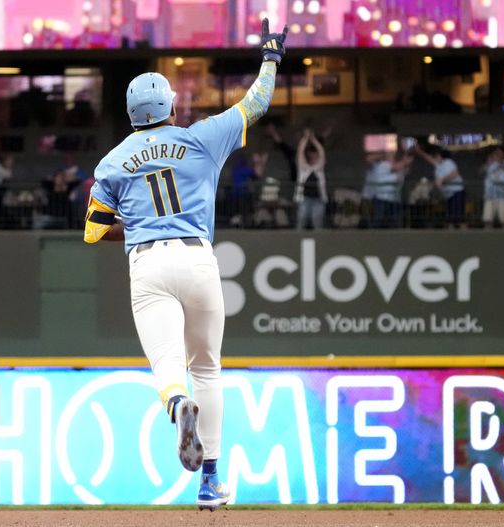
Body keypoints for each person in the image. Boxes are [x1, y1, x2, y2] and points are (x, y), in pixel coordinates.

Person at [82, 18, 288, 510]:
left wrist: (136, 228)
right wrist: (271, 56)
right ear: (171, 104)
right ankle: (210, 481)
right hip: (198, 260)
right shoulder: (202, 138)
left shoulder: (112, 162)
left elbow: (91, 231)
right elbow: (256, 104)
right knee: (209, 370)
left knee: (168, 366)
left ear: (131, 113)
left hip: (148, 265)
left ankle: (178, 408)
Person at [415, 144, 466, 228]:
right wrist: (419, 151)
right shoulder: (438, 165)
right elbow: (429, 159)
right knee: (450, 218)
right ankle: (450, 237)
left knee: (459, 217)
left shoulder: (448, 162)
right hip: (448, 195)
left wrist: (442, 179)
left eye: (436, 156)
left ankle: (465, 236)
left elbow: (454, 173)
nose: (434, 158)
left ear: (440, 156)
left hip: (457, 192)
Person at [363, 150, 413, 228]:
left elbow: (404, 169)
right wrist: (405, 161)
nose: (392, 156)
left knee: (395, 223)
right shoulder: (382, 165)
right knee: (377, 221)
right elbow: (394, 168)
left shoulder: (400, 167)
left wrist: (406, 156)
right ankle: (372, 238)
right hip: (381, 199)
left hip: (394, 200)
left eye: (393, 155)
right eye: (390, 155)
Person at [294, 129, 328, 229]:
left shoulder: (319, 169)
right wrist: (305, 138)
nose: (314, 156)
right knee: (301, 221)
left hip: (318, 199)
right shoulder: (304, 168)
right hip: (304, 199)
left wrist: (313, 140)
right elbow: (300, 152)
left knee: (317, 223)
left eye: (315, 155)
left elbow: (322, 153)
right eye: (312, 154)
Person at [481, 146, 504, 229]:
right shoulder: (490, 165)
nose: (498, 155)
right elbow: (481, 172)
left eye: (500, 153)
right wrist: (488, 164)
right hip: (490, 195)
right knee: (488, 220)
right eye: (496, 153)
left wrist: (501, 163)